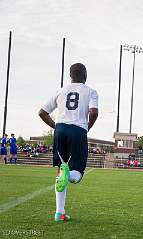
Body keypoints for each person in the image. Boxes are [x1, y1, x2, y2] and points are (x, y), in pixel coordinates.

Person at [38, 63, 99, 222]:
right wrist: (88, 127)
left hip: (60, 131)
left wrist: (55, 126)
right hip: (78, 131)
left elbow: (42, 112)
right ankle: (68, 173)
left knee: (60, 172)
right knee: (76, 174)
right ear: (85, 75)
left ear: (70, 75)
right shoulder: (91, 91)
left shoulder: (60, 90)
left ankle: (59, 213)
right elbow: (93, 112)